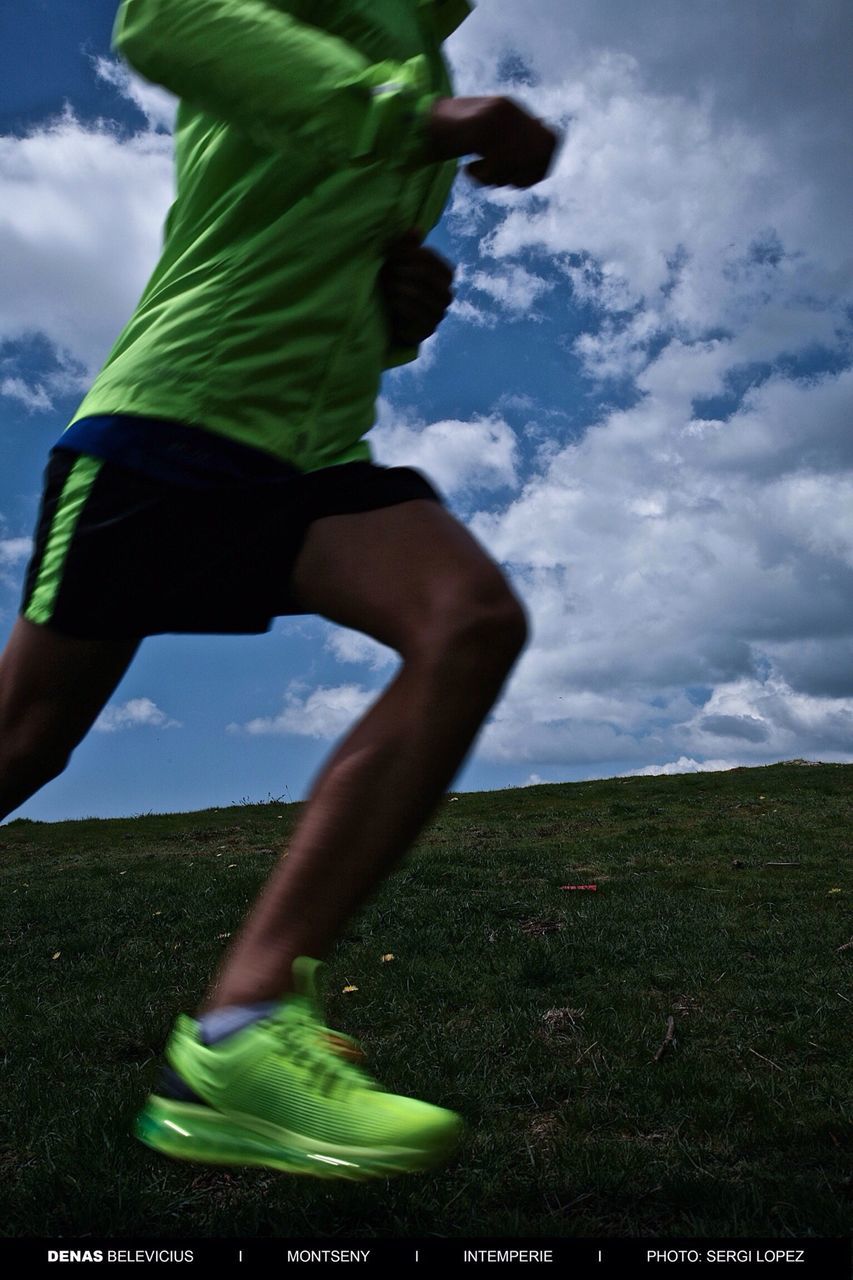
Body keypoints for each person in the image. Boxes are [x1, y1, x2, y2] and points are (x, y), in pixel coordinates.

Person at [1, 0, 559, 1179]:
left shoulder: (421, 48)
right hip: (174, 422)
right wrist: (422, 117)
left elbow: (308, 240)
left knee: (468, 619)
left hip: (312, 457)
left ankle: (244, 1030)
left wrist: (398, 318)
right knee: (24, 743)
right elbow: (161, 17)